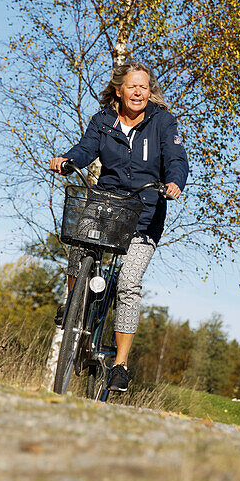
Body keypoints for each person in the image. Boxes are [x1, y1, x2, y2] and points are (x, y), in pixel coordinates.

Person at [49, 61, 188, 392]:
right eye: (131, 86)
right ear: (118, 90)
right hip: (105, 206)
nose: (138, 92)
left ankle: (120, 365)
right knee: (79, 242)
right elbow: (85, 149)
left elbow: (177, 159)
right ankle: (73, 301)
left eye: (144, 86)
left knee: (128, 284)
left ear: (149, 90)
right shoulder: (103, 120)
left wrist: (174, 182)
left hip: (145, 212)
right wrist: (68, 161)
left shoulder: (163, 122)